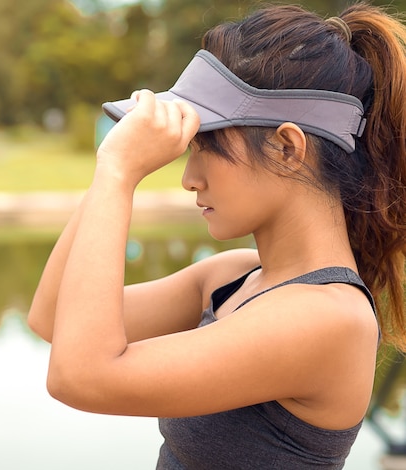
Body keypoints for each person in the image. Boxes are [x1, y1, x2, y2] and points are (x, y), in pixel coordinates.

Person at [27, 2, 406, 469]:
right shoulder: (233, 277)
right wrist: (112, 170)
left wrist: (118, 174)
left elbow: (80, 377)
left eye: (207, 144)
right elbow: (51, 317)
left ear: (288, 148)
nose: (189, 177)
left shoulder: (330, 319)